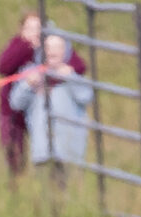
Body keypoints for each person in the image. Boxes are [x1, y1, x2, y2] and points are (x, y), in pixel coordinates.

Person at [0, 11, 87, 179]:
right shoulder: (18, 46)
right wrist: (27, 47)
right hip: (13, 112)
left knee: (49, 148)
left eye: (38, 28)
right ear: (21, 30)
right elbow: (3, 67)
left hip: (42, 111)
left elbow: (79, 68)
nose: (34, 32)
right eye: (29, 28)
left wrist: (60, 75)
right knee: (14, 151)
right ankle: (17, 182)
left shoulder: (55, 47)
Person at [7, 31, 94, 189]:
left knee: (72, 194)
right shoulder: (32, 73)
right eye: (48, 47)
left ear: (65, 51)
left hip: (71, 152)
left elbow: (86, 97)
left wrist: (71, 78)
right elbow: (15, 103)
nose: (52, 51)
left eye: (57, 47)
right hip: (43, 151)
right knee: (47, 195)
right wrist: (28, 84)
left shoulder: (74, 74)